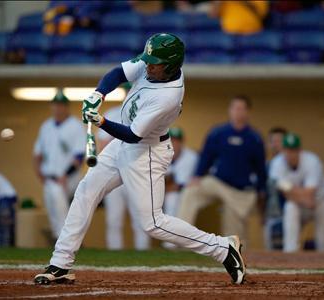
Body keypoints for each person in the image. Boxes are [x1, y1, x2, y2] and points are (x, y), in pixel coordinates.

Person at [34, 33, 246, 286]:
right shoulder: (154, 66)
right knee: (86, 190)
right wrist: (98, 95)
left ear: (171, 66)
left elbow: (133, 135)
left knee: (152, 223)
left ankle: (222, 248)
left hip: (146, 152)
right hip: (122, 144)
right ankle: (60, 264)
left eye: (154, 63)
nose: (147, 66)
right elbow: (118, 73)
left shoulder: (168, 96)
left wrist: (100, 121)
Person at [178, 96, 266, 244]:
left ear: (247, 112)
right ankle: (180, 236)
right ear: (230, 111)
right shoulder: (218, 133)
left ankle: (235, 254)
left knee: (234, 231)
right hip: (217, 182)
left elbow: (260, 168)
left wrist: (261, 190)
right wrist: (197, 176)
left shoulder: (254, 138)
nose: (238, 112)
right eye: (235, 108)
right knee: (191, 191)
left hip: (239, 190)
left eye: (241, 108)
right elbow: (206, 156)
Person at [33, 90, 86, 240]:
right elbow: (37, 154)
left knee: (59, 202)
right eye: (55, 105)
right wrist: (39, 173)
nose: (58, 108)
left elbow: (79, 156)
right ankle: (61, 240)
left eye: (61, 105)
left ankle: (65, 239)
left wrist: (65, 176)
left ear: (66, 107)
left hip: (70, 177)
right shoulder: (46, 126)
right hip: (49, 177)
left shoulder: (75, 125)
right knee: (53, 210)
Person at [98, 103, 150, 250]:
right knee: (113, 220)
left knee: (140, 219)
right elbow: (103, 144)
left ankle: (143, 255)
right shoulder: (113, 112)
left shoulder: (146, 111)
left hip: (136, 173)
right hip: (115, 172)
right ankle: (114, 255)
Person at [270, 133, 324, 252]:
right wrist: (303, 197)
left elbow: (310, 192)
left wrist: (296, 192)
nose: (290, 154)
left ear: (300, 150)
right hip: (298, 201)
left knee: (323, 239)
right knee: (290, 207)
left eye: (293, 150)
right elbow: (286, 193)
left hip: (321, 200)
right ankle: (290, 251)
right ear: (283, 150)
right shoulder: (277, 163)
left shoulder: (312, 161)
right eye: (287, 150)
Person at [163, 127, 197, 248]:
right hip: (162, 192)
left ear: (182, 143)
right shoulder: (160, 154)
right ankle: (172, 242)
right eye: (171, 140)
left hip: (186, 192)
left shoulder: (190, 157)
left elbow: (177, 186)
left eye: (177, 141)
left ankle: (171, 244)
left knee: (172, 199)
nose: (174, 144)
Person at [264, 127, 287, 250]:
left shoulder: (293, 163)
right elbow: (262, 193)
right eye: (273, 141)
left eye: (279, 140)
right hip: (271, 214)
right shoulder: (265, 166)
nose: (275, 144)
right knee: (271, 250)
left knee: (290, 247)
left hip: (289, 212)